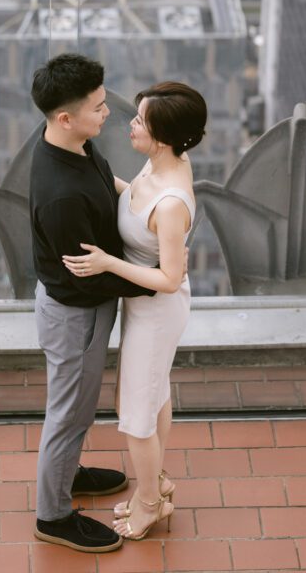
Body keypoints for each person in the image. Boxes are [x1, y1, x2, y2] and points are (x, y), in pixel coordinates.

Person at [63, 81, 207, 541]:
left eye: (140, 120)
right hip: (146, 309)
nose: (131, 122)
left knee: (135, 412)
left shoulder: (170, 204)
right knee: (153, 394)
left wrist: (107, 263)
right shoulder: (164, 163)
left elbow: (168, 278)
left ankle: (149, 504)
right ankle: (157, 482)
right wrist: (95, 175)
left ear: (162, 136)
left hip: (157, 309)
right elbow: (133, 199)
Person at [29, 53, 157, 554]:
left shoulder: (69, 145)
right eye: (99, 107)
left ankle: (68, 475)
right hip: (75, 315)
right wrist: (150, 282)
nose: (109, 114)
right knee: (69, 416)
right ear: (65, 116)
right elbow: (81, 282)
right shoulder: (61, 194)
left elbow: (106, 188)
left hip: (79, 307)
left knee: (73, 411)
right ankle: (53, 515)